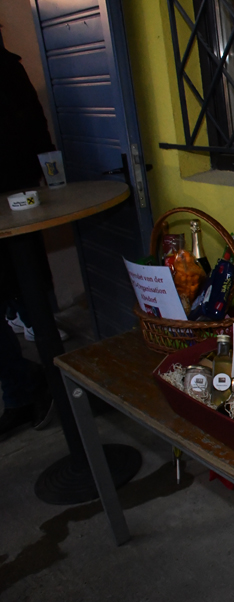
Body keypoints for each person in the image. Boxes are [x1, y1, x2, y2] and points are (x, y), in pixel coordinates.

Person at [0, 26, 55, 438]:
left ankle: (53, 384)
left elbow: (33, 131)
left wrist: (42, 177)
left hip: (15, 201)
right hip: (17, 194)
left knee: (27, 292)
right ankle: (21, 391)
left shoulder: (7, 70)